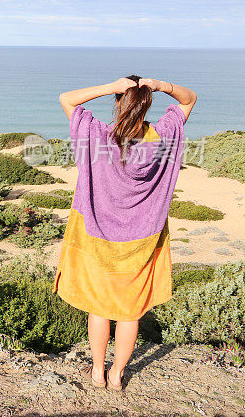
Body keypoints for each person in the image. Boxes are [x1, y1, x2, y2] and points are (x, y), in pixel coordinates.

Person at [53, 75, 197, 391]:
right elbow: (189, 99)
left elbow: (67, 98)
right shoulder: (161, 138)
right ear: (146, 105)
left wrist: (110, 87)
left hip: (97, 238)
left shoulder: (97, 136)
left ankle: (97, 372)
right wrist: (161, 85)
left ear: (119, 102)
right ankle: (118, 374)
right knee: (129, 313)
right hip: (142, 240)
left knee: (100, 308)